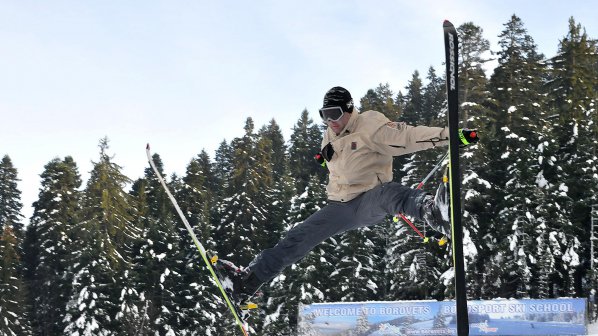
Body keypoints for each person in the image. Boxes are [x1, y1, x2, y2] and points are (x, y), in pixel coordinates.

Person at [216, 86, 478, 303]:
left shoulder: (371, 125)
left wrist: (452, 137)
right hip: (339, 205)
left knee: (390, 195)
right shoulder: (329, 133)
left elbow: (409, 136)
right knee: (298, 237)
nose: (330, 121)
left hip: (368, 198)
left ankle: (433, 211)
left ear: (349, 109)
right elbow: (332, 156)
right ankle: (247, 282)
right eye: (324, 115)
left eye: (335, 114)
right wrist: (322, 158)